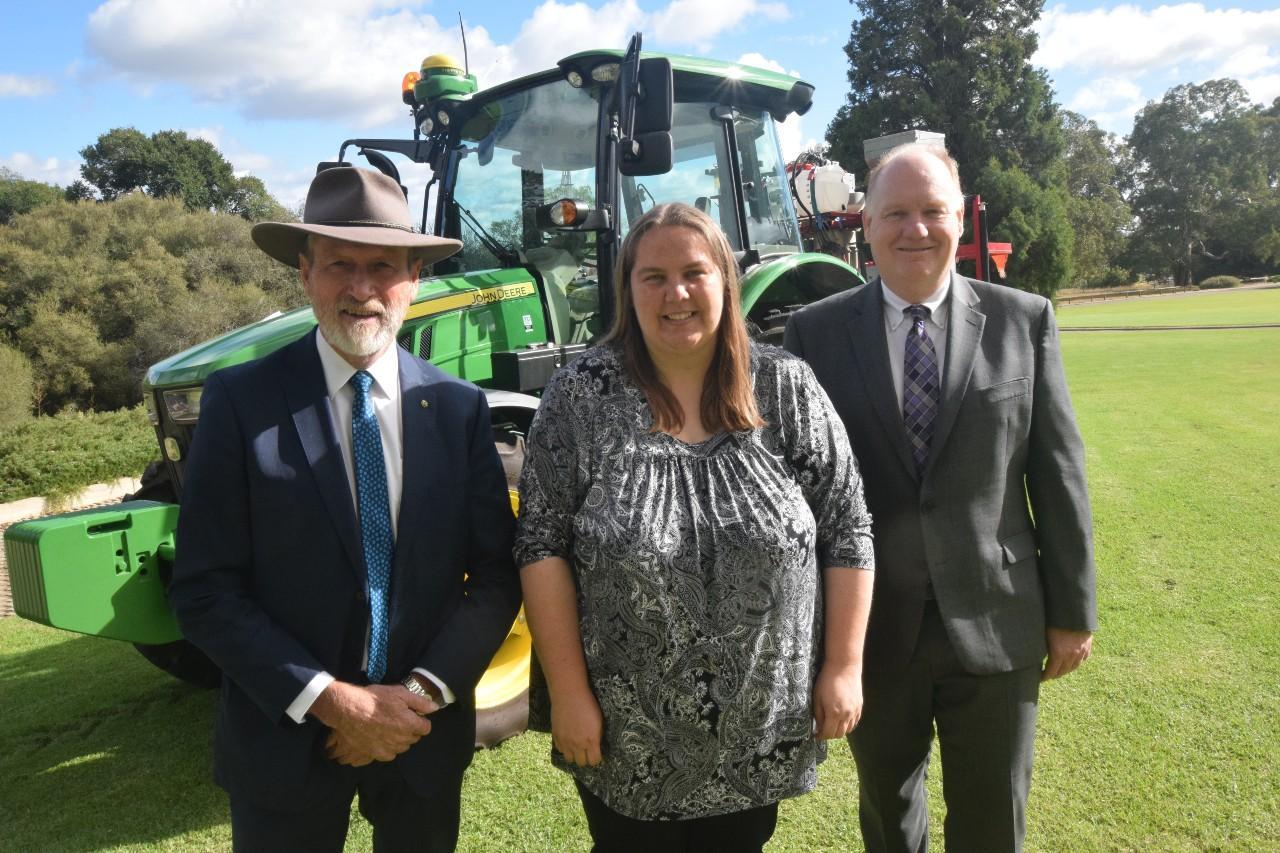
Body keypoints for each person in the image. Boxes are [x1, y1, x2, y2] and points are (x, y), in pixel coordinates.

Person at [169, 165, 521, 852]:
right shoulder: (240, 404)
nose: (361, 289)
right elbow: (205, 589)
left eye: (382, 267)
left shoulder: (458, 409)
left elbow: (496, 575)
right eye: (339, 265)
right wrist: (339, 701)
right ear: (305, 272)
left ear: (413, 278)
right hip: (284, 741)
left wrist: (415, 697)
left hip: (423, 736)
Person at [514, 202, 875, 852]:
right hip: (626, 731)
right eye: (653, 276)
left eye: (693, 272)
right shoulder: (580, 398)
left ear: (725, 282)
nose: (675, 292)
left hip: (756, 729)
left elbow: (847, 527)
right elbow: (541, 546)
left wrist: (844, 666)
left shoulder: (788, 389)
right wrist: (568, 693)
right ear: (628, 290)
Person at [784, 143, 1098, 853]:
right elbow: (799, 494)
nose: (914, 229)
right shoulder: (816, 333)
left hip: (999, 619)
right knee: (889, 821)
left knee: (994, 819)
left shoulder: (1026, 320)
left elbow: (1058, 474)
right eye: (896, 212)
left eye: (933, 211)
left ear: (961, 219)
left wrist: (1073, 611)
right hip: (869, 629)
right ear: (866, 224)